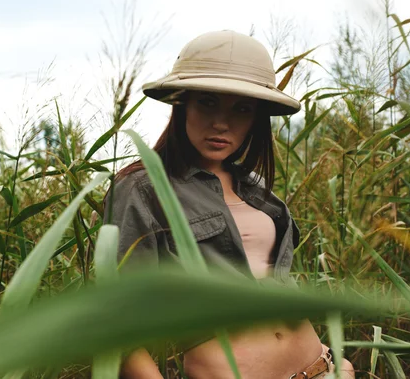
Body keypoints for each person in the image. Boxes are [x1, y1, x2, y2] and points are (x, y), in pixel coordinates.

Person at [103, 30, 355, 379]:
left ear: (255, 118)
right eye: (207, 102)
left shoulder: (256, 191)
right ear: (183, 104)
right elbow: (118, 319)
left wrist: (334, 363)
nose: (221, 123)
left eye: (241, 109)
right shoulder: (143, 188)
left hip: (320, 369)